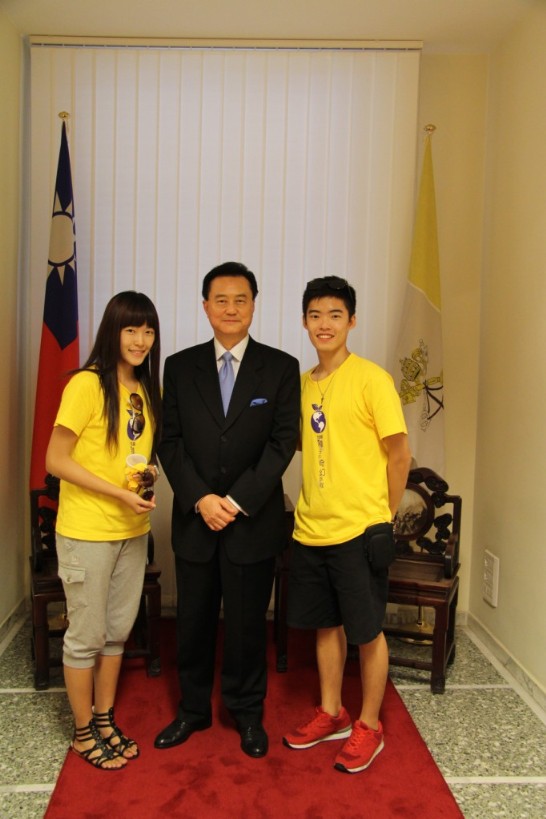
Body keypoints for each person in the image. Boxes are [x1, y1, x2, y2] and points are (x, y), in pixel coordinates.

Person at [154, 261, 300, 758]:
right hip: (196, 519)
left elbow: (282, 445)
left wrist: (236, 501)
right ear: (205, 307)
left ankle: (246, 712)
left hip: (251, 523)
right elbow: (168, 443)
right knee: (192, 622)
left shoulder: (280, 368)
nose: (231, 309)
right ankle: (192, 711)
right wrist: (200, 498)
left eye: (241, 299)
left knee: (244, 627)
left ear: (254, 305)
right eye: (221, 300)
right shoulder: (178, 366)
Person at [283, 276, 411, 774]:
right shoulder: (301, 385)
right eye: (315, 315)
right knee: (324, 626)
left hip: (360, 531)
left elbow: (399, 456)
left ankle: (369, 725)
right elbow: (301, 444)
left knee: (367, 631)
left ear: (352, 321)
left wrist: (382, 517)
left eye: (335, 315)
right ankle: (331, 711)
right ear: (304, 322)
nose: (324, 324)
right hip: (310, 529)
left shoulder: (372, 379)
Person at [45, 291, 162, 770]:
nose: (140, 340)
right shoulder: (87, 385)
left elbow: (132, 454)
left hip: (132, 530)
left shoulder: (143, 388)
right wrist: (116, 493)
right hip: (87, 530)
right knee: (85, 636)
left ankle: (104, 718)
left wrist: (147, 475)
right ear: (112, 331)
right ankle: (80, 733)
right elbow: (55, 460)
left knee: (116, 634)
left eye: (148, 330)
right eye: (131, 329)